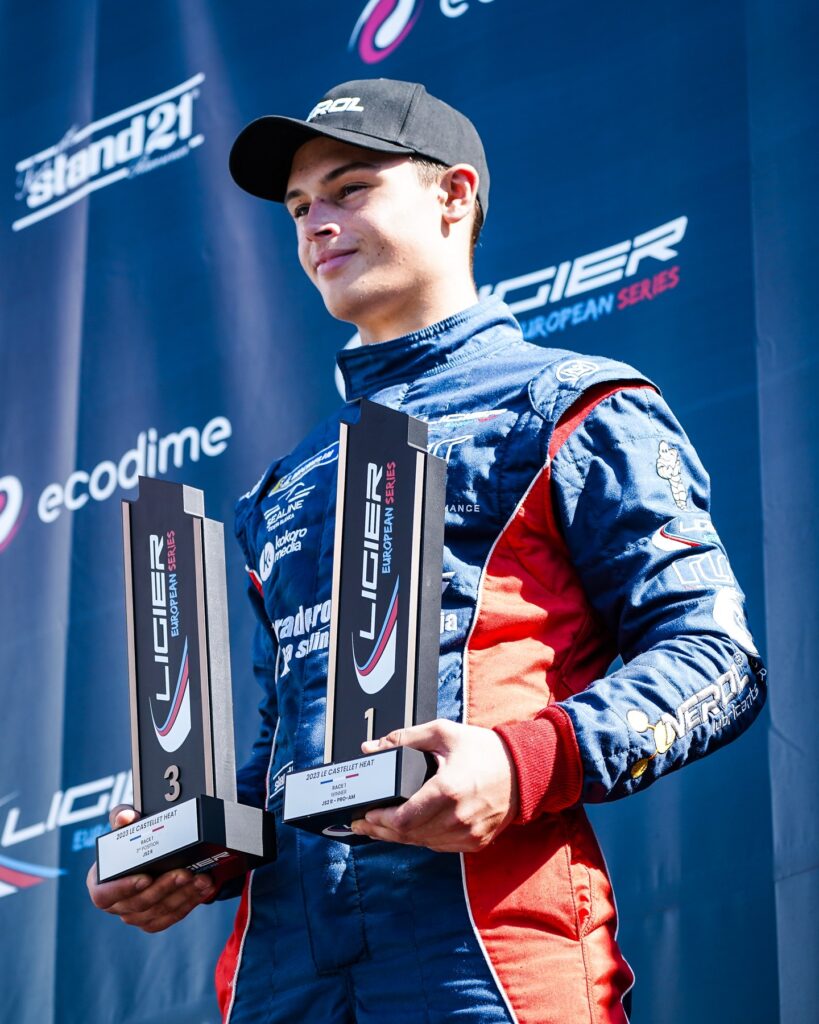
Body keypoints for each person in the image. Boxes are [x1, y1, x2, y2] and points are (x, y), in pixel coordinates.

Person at [88, 79, 766, 1023]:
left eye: (350, 188)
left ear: (453, 195)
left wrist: (517, 764)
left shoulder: (567, 404)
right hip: (283, 972)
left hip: (487, 951)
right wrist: (193, 850)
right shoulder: (287, 484)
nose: (317, 224)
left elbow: (715, 659)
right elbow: (283, 750)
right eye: (298, 207)